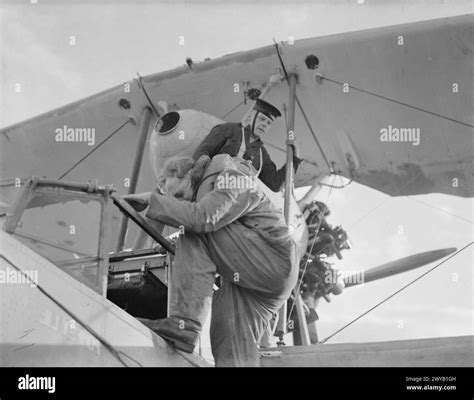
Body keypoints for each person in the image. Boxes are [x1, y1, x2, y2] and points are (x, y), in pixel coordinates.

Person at [122, 154, 299, 366]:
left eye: (179, 194)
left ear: (191, 175)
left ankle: (184, 325)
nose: (180, 202)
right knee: (229, 344)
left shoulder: (232, 175)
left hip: (272, 261)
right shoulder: (213, 188)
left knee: (192, 226)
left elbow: (204, 218)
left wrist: (153, 202)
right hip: (256, 286)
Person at [192, 98, 302, 192]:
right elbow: (202, 152)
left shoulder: (262, 153)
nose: (264, 125)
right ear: (250, 117)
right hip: (211, 189)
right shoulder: (228, 129)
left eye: (268, 123)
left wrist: (295, 157)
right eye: (262, 119)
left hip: (237, 202)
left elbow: (275, 184)